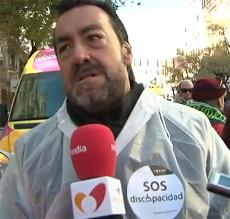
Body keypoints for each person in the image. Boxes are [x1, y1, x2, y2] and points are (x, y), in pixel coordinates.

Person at [0, 0, 230, 218]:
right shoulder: (29, 155)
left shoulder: (194, 132)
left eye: (93, 38)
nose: (79, 55)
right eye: (65, 47)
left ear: (126, 52)